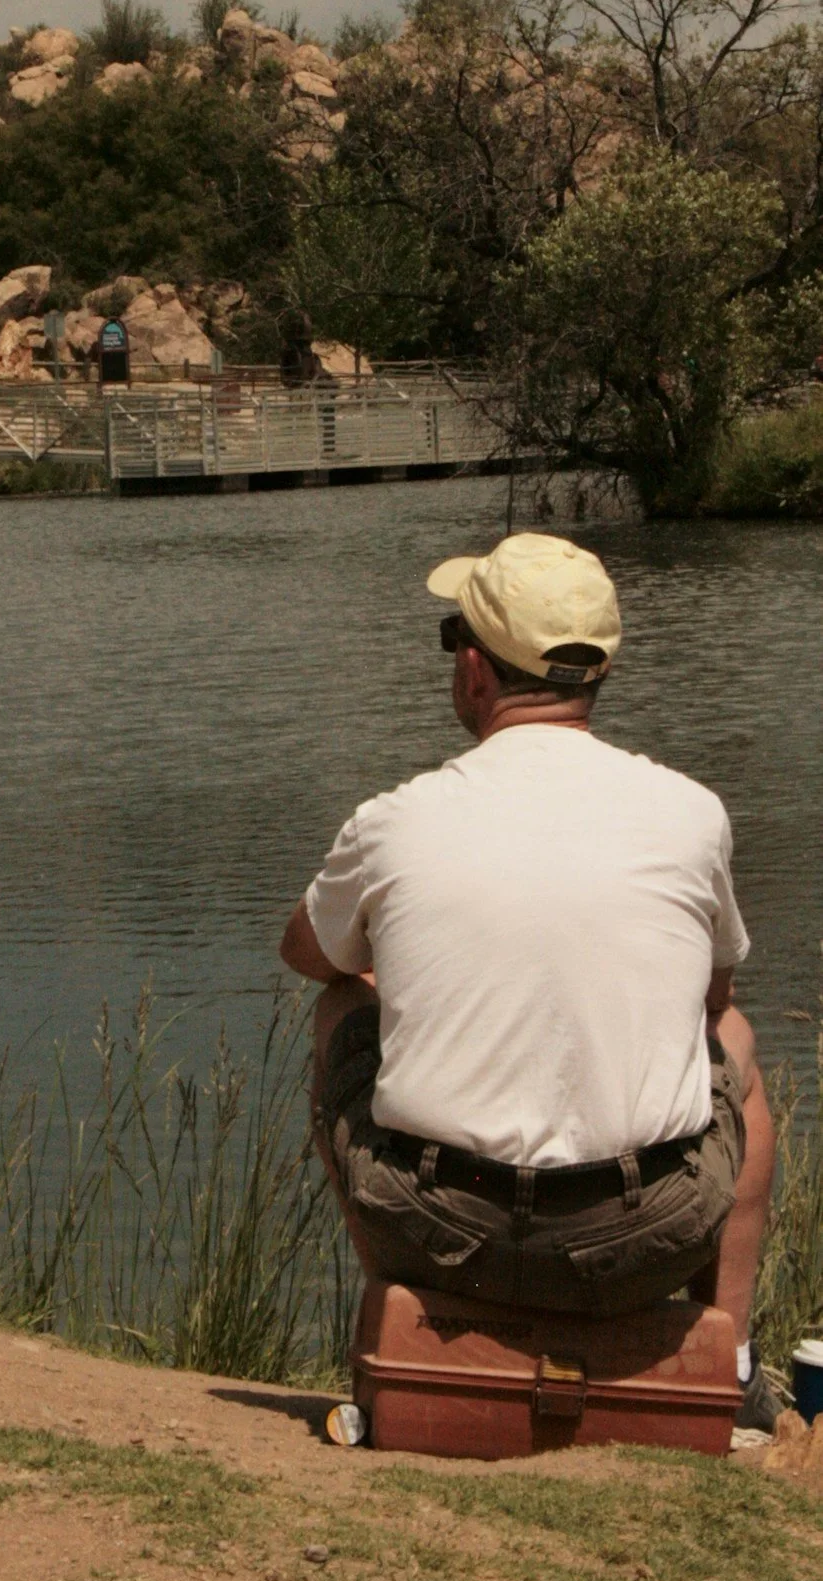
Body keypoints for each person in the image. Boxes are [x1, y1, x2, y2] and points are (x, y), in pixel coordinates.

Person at [280, 531, 779, 1431]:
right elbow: (713, 1004)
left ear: (474, 669)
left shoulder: (394, 819)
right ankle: (731, 1362)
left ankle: (406, 1324)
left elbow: (307, 956)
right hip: (645, 1239)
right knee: (734, 1045)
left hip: (438, 1232)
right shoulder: (690, 813)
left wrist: (402, 968)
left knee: (338, 1009)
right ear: (597, 673)